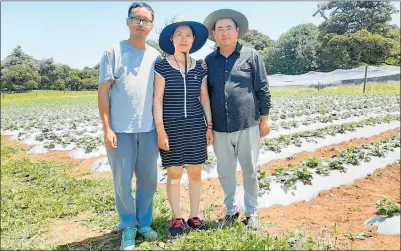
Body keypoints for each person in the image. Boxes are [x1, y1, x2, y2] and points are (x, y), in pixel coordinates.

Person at [98, 2, 161, 250]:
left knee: (148, 180)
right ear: (127, 22)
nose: (141, 24)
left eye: (146, 21)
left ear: (152, 26)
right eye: (136, 19)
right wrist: (107, 128)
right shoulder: (113, 52)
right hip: (120, 130)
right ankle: (128, 226)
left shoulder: (155, 56)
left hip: (149, 129)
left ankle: (144, 222)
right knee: (122, 181)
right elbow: (103, 92)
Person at [203, 9, 272, 230]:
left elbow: (262, 88)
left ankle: (252, 212)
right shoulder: (208, 61)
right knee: (225, 172)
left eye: (228, 28)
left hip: (247, 124)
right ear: (213, 34)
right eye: (219, 29)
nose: (224, 33)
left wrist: (265, 118)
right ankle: (231, 210)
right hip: (220, 128)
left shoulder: (250, 55)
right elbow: (204, 93)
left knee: (250, 170)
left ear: (237, 31)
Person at [153, 17, 214, 237]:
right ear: (171, 39)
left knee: (196, 172)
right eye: (178, 34)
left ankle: (194, 216)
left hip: (196, 126)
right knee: (175, 173)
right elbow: (157, 99)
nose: (183, 39)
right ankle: (177, 218)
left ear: (194, 40)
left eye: (188, 35)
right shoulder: (161, 66)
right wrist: (160, 129)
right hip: (171, 127)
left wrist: (209, 125)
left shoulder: (200, 67)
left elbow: (204, 97)